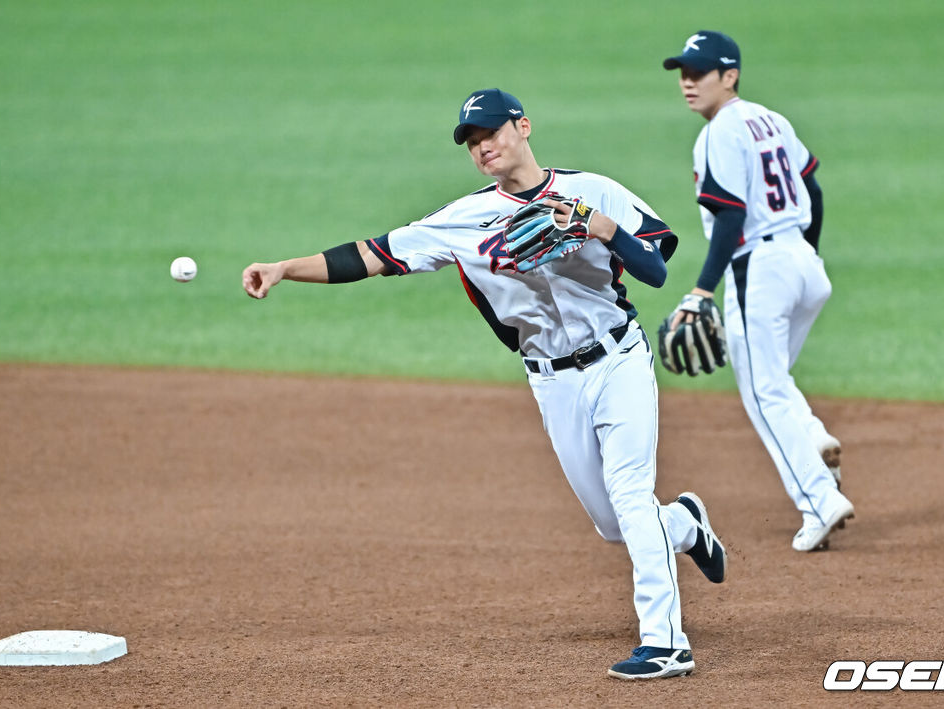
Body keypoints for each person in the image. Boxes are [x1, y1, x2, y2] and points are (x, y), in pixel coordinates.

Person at [242, 88, 727, 680]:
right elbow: (372, 255)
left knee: (629, 496)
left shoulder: (596, 190)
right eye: (472, 142)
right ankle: (682, 523)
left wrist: (600, 228)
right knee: (612, 524)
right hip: (552, 381)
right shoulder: (460, 220)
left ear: (522, 127)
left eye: (490, 134)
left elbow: (653, 270)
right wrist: (285, 269)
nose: (482, 148)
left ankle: (665, 643)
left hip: (619, 360)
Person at [661, 32, 855, 551]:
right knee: (773, 376)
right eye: (682, 72)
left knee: (763, 392)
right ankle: (813, 434)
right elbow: (811, 188)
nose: (687, 82)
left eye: (698, 73)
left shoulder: (719, 132)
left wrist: (701, 291)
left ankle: (819, 499)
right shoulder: (772, 119)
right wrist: (807, 251)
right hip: (804, 265)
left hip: (761, 270)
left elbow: (731, 215)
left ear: (730, 76)